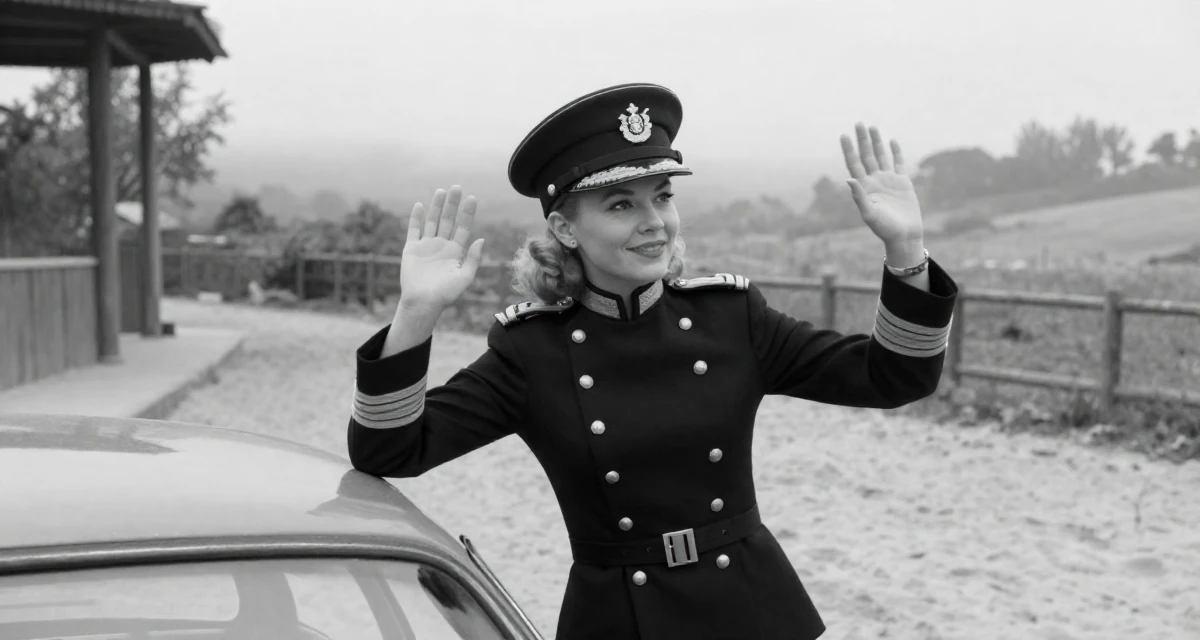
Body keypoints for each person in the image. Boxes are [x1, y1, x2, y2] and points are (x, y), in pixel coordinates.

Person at [347, 83, 958, 640]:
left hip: (753, 612)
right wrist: (417, 312)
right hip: (619, 620)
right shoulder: (532, 353)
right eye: (620, 205)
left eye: (661, 197)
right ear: (563, 227)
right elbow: (390, 450)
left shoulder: (731, 319)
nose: (654, 223)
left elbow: (894, 375)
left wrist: (905, 249)